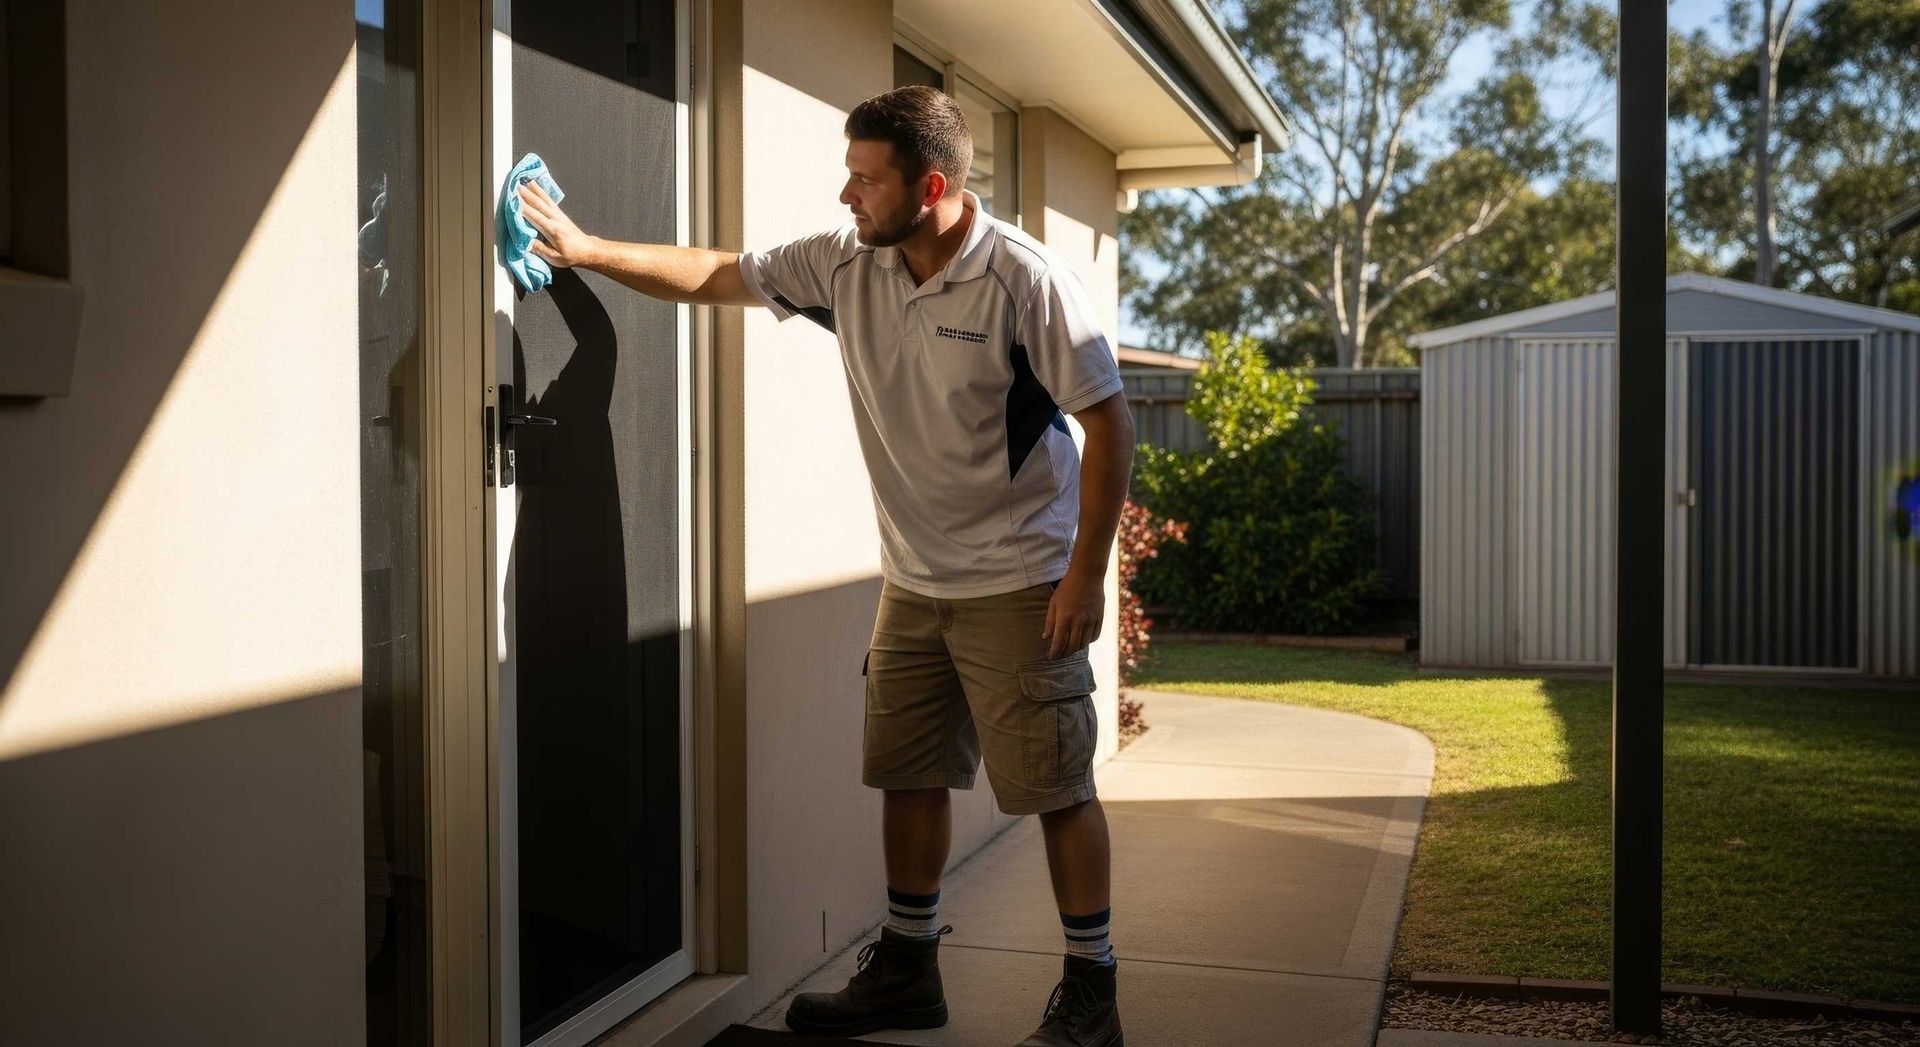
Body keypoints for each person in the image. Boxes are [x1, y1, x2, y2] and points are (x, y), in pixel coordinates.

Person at [515, 84, 1132, 1047]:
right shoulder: (848, 263)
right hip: (914, 579)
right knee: (908, 773)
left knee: (1056, 788)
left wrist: (1086, 573)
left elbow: (1109, 422)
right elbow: (717, 273)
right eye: (849, 174)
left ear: (931, 188)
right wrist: (587, 250)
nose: (847, 195)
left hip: (1019, 581)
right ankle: (908, 970)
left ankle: (1093, 993)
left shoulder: (1023, 278)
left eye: (865, 179)